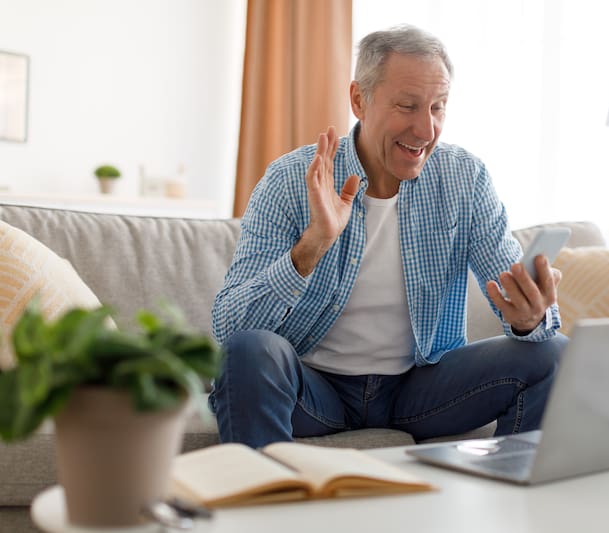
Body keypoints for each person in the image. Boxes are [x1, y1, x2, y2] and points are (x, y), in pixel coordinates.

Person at [209, 24, 568, 448]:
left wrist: (529, 319)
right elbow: (231, 328)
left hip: (420, 387)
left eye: (438, 108)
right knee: (252, 351)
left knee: (552, 353)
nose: (426, 129)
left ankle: (513, 495)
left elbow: (513, 292)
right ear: (359, 99)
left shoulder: (464, 178)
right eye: (407, 106)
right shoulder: (290, 180)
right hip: (317, 389)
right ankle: (262, 503)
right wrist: (313, 245)